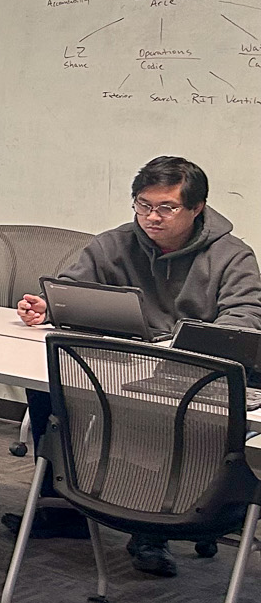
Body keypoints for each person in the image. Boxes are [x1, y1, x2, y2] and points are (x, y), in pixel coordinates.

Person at [14, 155, 261, 575]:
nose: (152, 217)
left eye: (166, 207)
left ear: (197, 207)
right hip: (123, 360)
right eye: (143, 205)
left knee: (155, 424)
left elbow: (245, 318)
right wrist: (48, 308)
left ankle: (152, 528)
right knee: (45, 386)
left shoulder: (232, 256)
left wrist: (183, 342)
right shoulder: (115, 243)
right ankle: (62, 505)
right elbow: (73, 290)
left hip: (187, 370)